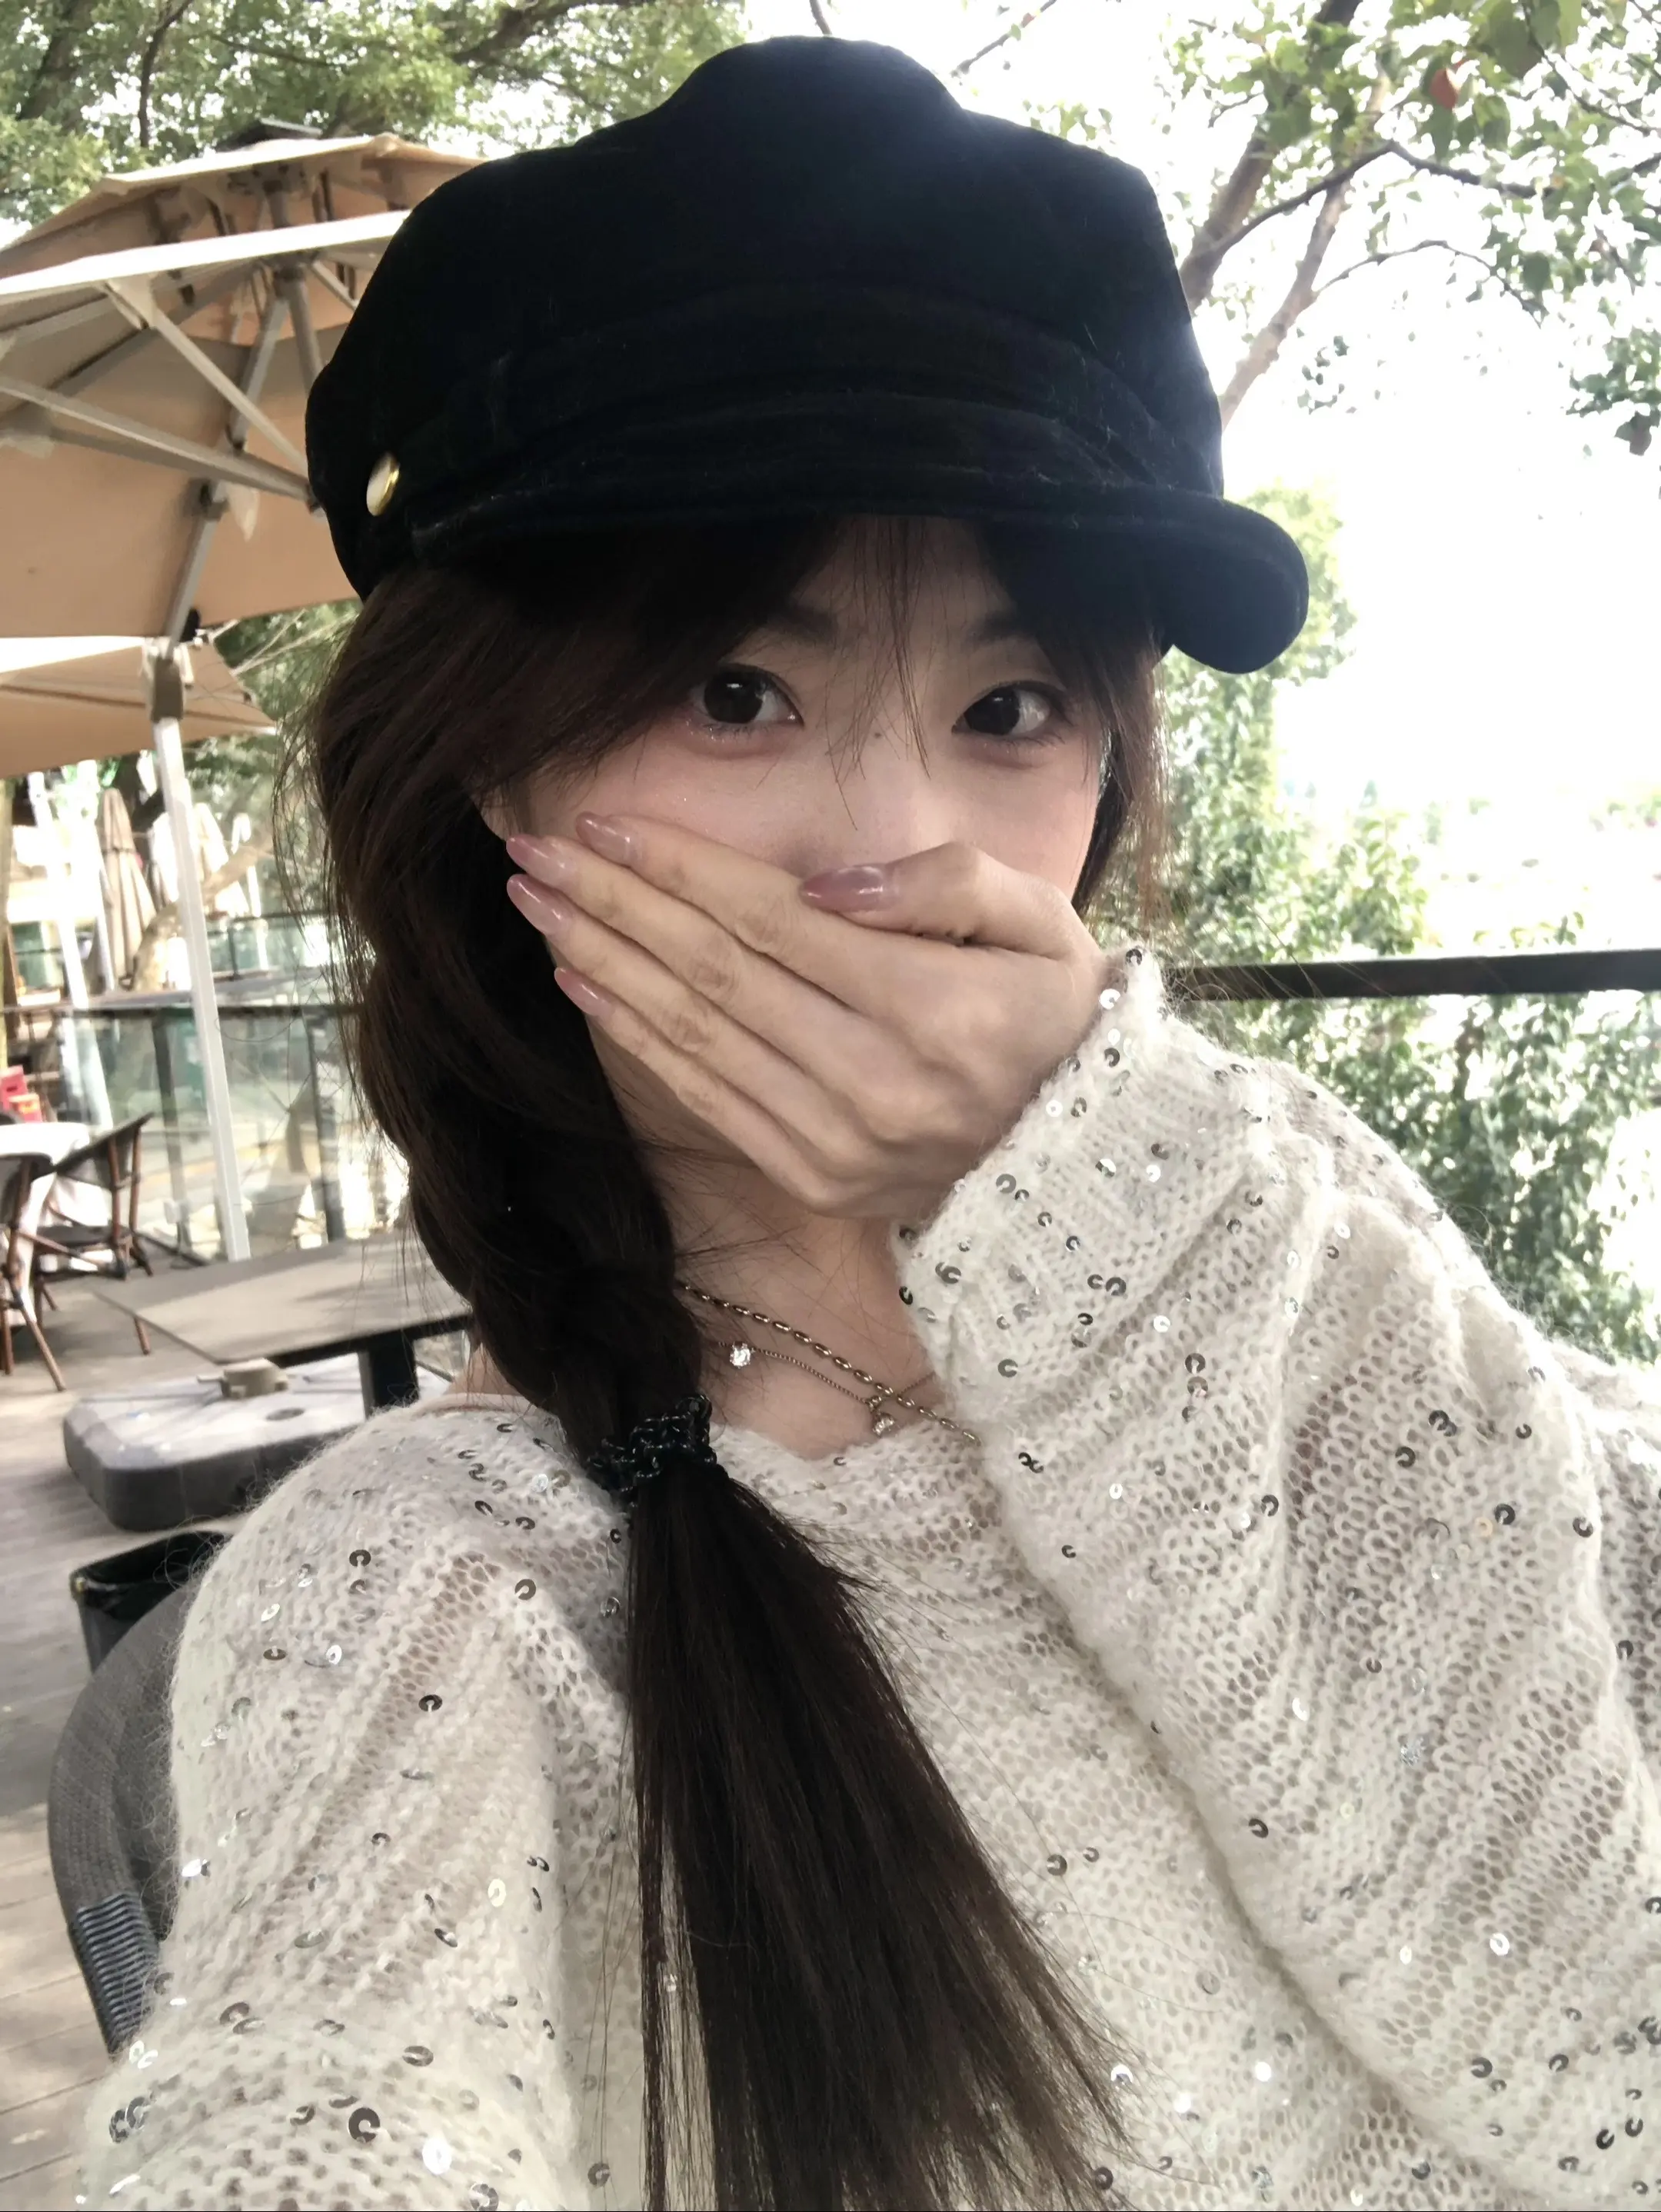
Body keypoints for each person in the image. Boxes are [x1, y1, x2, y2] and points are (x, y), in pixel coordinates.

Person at [75, 37, 1659, 2212]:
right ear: (497, 773)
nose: (896, 844)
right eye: (738, 690)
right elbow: (312, 2100)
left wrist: (1108, 1196)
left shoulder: (1278, 1223)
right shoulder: (437, 1585)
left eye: (1013, 706)